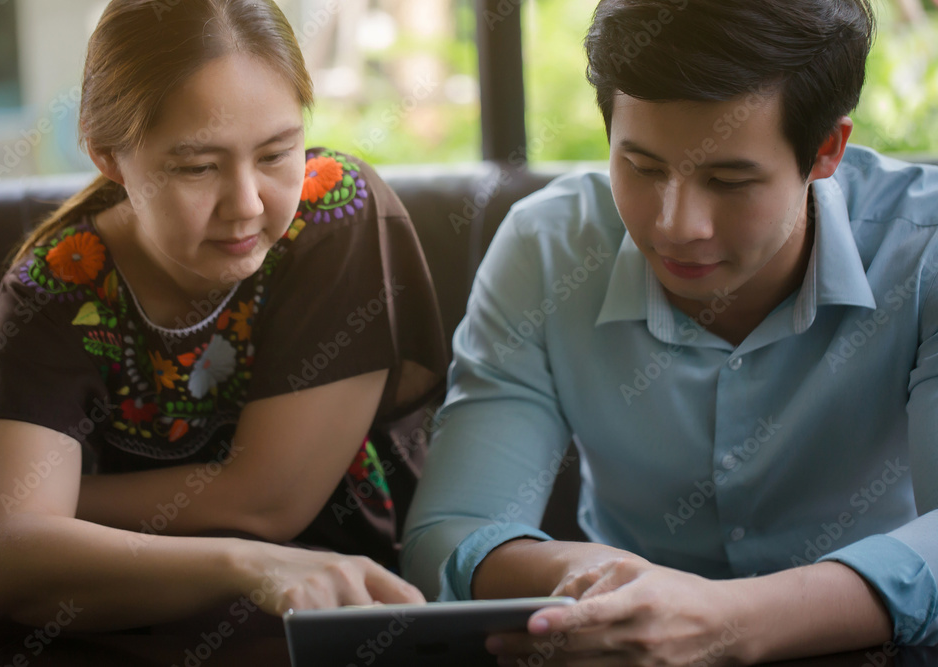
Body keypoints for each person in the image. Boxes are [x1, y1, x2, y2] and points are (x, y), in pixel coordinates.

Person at [401, 0, 938, 664]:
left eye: (728, 179)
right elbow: (447, 535)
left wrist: (731, 622)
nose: (676, 225)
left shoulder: (925, 249)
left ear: (826, 148)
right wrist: (605, 583)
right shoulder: (547, 251)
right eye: (644, 167)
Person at [0, 0, 447, 655]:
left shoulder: (332, 212)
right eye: (197, 167)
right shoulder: (60, 281)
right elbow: (3, 568)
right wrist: (242, 563)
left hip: (332, 616)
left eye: (275, 153)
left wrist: (34, 512)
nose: (246, 204)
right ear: (107, 155)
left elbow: (267, 501)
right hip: (130, 627)